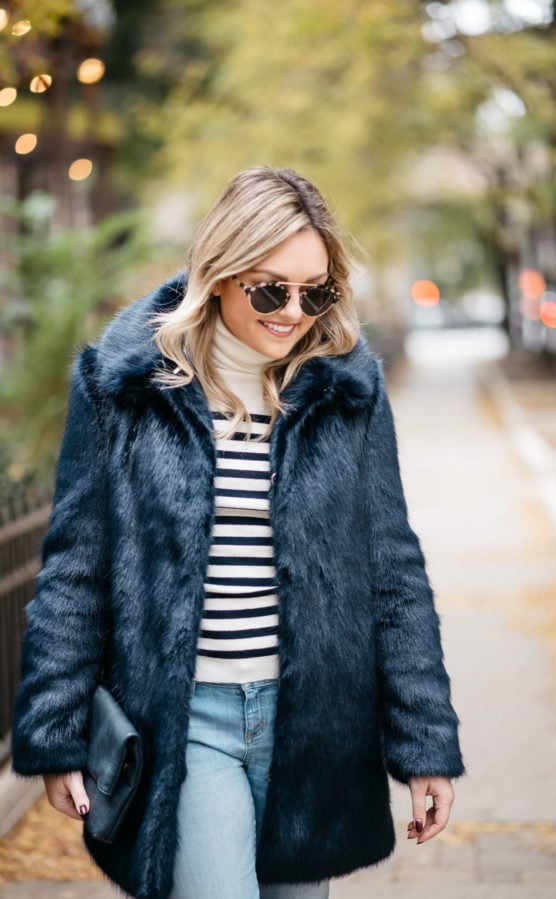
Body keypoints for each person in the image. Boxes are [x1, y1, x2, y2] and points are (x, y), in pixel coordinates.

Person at [12, 166, 465, 899]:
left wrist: (425, 746)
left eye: (316, 291)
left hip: (314, 731)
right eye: (270, 288)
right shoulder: (125, 386)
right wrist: (55, 731)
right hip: (186, 727)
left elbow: (393, 572)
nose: (294, 311)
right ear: (219, 274)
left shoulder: (346, 389)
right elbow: (76, 567)